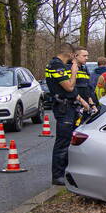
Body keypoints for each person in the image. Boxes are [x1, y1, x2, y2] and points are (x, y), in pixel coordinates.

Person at [45, 42, 82, 185]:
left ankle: (64, 172)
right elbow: (69, 86)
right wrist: (73, 71)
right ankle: (58, 175)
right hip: (63, 108)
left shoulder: (58, 65)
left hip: (68, 107)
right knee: (63, 142)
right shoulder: (56, 65)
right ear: (71, 54)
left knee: (68, 141)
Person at [72, 47, 98, 116]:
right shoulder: (70, 68)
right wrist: (82, 102)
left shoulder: (84, 69)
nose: (87, 58)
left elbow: (87, 90)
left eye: (87, 56)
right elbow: (71, 89)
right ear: (75, 56)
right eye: (84, 56)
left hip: (86, 107)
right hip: (74, 107)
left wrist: (92, 105)